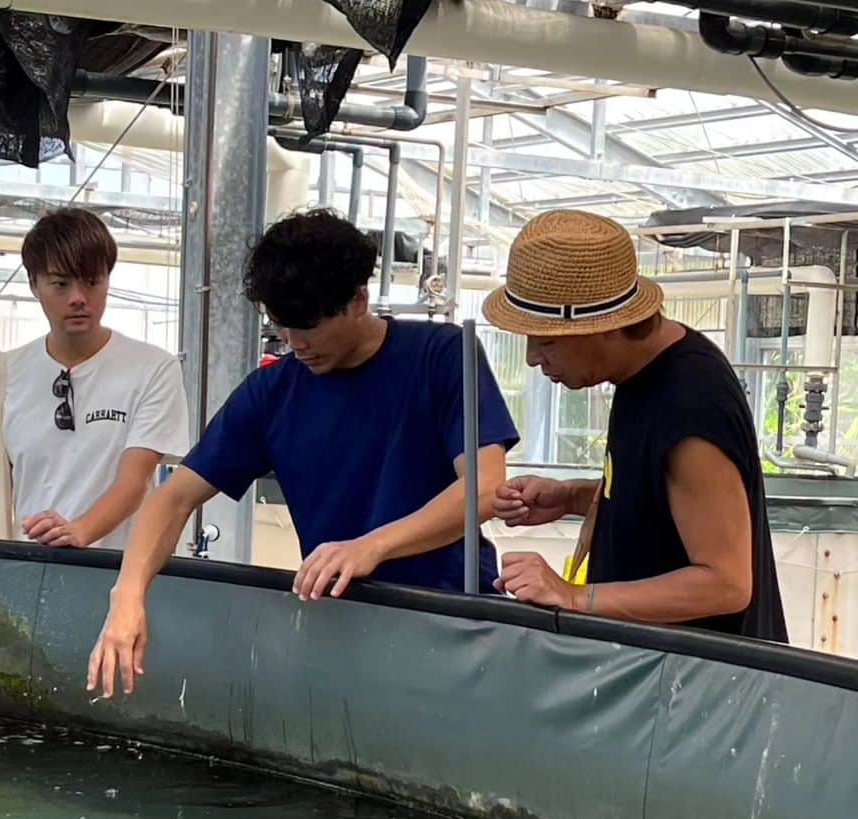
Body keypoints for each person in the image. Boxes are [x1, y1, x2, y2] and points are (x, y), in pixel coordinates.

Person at [87, 208, 520, 696]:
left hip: (453, 627)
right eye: (281, 327)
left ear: (359, 299)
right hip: (339, 628)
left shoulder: (442, 355)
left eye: (308, 327)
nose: (295, 344)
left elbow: (485, 487)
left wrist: (369, 547)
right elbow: (173, 498)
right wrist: (128, 594)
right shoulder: (272, 392)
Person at [482, 209, 787, 643]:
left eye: (547, 341)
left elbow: (726, 583)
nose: (533, 358)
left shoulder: (688, 403)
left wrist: (571, 597)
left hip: (700, 685)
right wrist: (572, 497)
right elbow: (665, 503)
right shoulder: (642, 372)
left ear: (607, 327)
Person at [0, 208, 190, 550]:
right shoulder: (0, 376)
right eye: (60, 284)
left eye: (92, 282)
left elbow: (134, 482)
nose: (78, 298)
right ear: (34, 284)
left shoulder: (152, 369)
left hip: (118, 580)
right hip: (26, 576)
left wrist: (80, 531)